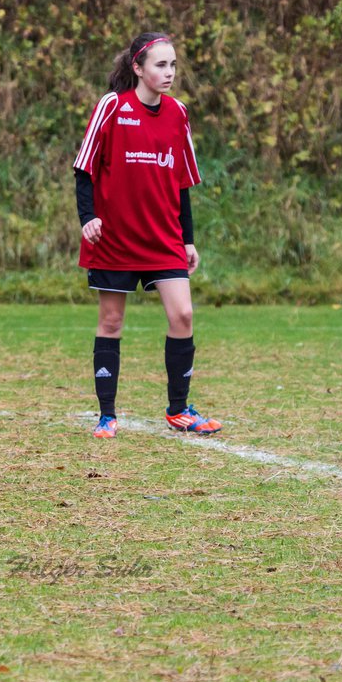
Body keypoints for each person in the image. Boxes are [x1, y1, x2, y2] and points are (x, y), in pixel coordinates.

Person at [73, 31, 221, 438]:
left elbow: (182, 182)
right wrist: (88, 217)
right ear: (137, 68)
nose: (169, 72)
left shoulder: (178, 113)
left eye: (173, 64)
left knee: (184, 314)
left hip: (163, 237)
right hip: (115, 238)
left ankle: (178, 409)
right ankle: (107, 414)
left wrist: (188, 239)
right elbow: (83, 167)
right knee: (111, 321)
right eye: (160, 64)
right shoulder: (112, 107)